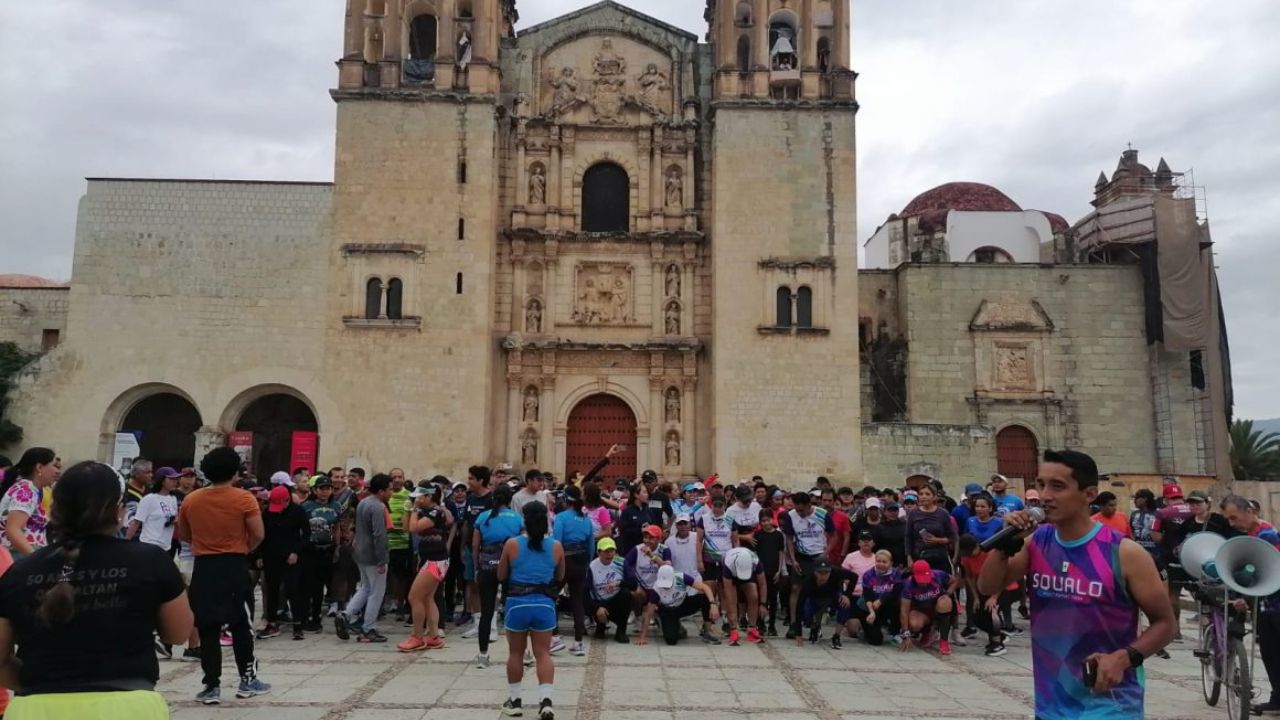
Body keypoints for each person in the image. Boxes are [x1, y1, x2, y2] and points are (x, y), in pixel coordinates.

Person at [979, 450, 1176, 720]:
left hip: (1111, 705)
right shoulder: (1037, 542)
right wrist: (1004, 546)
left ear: (1089, 494)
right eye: (1041, 484)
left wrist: (1123, 658)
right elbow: (988, 586)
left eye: (1057, 486)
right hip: (1051, 704)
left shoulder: (1124, 553)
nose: (1045, 495)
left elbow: (1165, 624)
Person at [0, 461, 193, 719]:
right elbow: (178, 633)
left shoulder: (18, 573)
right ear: (118, 511)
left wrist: (37, 684)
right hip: (127, 707)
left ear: (53, 510)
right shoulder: (151, 561)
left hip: (37, 707)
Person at [177, 447, 271, 704]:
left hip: (204, 566)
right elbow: (259, 533)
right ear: (234, 471)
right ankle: (248, 680)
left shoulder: (191, 499)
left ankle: (211, 685)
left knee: (207, 626)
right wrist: (244, 547)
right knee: (242, 624)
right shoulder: (244, 499)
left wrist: (205, 543)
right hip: (233, 565)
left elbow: (183, 534)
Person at [498, 500, 564, 720]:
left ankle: (515, 700)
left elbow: (501, 575)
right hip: (544, 604)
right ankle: (546, 700)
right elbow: (559, 576)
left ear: (524, 519)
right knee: (543, 653)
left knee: (516, 653)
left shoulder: (512, 544)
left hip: (517, 604)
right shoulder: (555, 546)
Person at [1217, 495, 1280, 714]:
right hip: (1266, 605)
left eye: (1234, 518)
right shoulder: (1252, 535)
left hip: (1276, 603)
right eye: (1228, 520)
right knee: (1271, 652)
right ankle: (1277, 697)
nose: (1232, 523)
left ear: (1249, 512)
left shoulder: (1268, 535)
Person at [336, 474, 392, 644]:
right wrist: (382, 559)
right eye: (389, 489)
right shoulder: (377, 507)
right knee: (377, 592)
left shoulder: (363, 502)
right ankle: (369, 628)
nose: (391, 492)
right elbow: (379, 535)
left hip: (360, 550)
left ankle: (346, 614)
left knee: (365, 587)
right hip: (373, 555)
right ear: (381, 491)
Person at [471, 484, 523, 667]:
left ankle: (483, 654)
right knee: (514, 611)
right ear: (509, 499)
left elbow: (475, 546)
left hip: (487, 567)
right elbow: (522, 545)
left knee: (486, 613)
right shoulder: (517, 518)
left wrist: (476, 568)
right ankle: (522, 653)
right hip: (510, 568)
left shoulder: (483, 517)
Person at [399, 483, 454, 652]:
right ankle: (433, 636)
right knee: (428, 598)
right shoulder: (424, 512)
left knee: (414, 597)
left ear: (428, 497)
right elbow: (407, 528)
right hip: (429, 559)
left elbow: (416, 528)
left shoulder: (435, 512)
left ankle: (417, 636)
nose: (416, 500)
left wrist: (414, 510)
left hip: (435, 560)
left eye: (419, 497)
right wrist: (409, 510)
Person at [780, 491, 834, 639]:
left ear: (809, 505)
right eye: (797, 509)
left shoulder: (822, 514)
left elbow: (833, 535)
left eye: (802, 510)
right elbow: (789, 539)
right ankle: (793, 623)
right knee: (796, 588)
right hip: (801, 556)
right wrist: (793, 559)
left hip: (818, 555)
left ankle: (816, 623)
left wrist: (827, 552)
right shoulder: (790, 516)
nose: (800, 513)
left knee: (819, 591)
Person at [260, 484, 308, 641]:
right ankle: (272, 622)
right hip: (271, 556)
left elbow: (306, 535)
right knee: (272, 590)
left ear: (288, 500)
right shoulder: (267, 513)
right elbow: (263, 535)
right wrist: (259, 556)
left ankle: (298, 624)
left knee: (293, 589)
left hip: (291, 557)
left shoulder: (298, 512)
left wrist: (296, 551)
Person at [552, 485, 595, 656]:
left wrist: (555, 565)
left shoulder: (561, 518)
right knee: (577, 600)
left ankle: (554, 636)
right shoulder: (586, 520)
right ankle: (578, 642)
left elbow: (556, 542)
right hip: (581, 562)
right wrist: (587, 564)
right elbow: (591, 546)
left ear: (565, 500)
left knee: (551, 596)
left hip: (565, 561)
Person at [637, 564, 721, 647]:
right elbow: (649, 613)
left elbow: (705, 587)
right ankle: (672, 625)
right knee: (671, 640)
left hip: (683, 604)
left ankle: (708, 630)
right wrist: (642, 637)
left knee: (705, 597)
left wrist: (713, 605)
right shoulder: (655, 589)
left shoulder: (681, 577)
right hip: (668, 610)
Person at [1151, 483, 1195, 642]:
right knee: (1201, 592)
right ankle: (1212, 629)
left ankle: (1175, 630)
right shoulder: (1194, 509)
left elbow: (1155, 534)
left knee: (1173, 594)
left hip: (1171, 558)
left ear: (1165, 499)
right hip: (1195, 558)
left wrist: (1165, 543)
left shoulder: (1162, 513)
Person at [0, 448, 59, 557]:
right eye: (54, 465)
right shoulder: (25, 491)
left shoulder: (32, 490)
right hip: (17, 558)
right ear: (39, 467)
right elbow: (13, 530)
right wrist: (35, 561)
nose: (57, 471)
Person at [300, 476, 340, 632]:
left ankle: (316, 617)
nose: (325, 492)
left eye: (328, 488)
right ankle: (304, 615)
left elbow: (337, 527)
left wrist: (336, 546)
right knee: (307, 584)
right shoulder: (306, 507)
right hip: (310, 549)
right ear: (315, 490)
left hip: (327, 549)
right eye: (322, 488)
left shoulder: (336, 506)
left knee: (320, 586)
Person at [459, 466, 495, 635]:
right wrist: (462, 545)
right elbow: (466, 523)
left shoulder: (492, 499)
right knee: (472, 584)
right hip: (469, 548)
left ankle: (490, 622)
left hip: (486, 549)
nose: (469, 481)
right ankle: (477, 621)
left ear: (481, 480)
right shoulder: (471, 499)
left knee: (489, 586)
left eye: (472, 478)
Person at [898, 559, 959, 655]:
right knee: (914, 624)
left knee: (945, 602)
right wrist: (905, 635)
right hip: (921, 610)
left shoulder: (938, 575)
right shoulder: (908, 585)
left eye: (925, 579)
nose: (924, 583)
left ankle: (944, 641)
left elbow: (954, 581)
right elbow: (904, 611)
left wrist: (947, 594)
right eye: (920, 580)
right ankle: (928, 633)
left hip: (937, 606)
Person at [793, 560, 859, 646]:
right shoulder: (808, 581)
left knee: (845, 605)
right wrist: (798, 634)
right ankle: (814, 626)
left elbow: (854, 576)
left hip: (833, 597)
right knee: (805, 613)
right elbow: (799, 606)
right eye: (820, 572)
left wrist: (847, 595)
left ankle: (836, 636)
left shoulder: (836, 572)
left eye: (826, 573)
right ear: (815, 572)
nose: (823, 576)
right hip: (814, 599)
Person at [851, 550, 901, 646]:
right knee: (876, 641)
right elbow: (867, 595)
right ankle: (865, 629)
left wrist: (881, 600)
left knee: (896, 604)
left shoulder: (896, 574)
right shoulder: (868, 574)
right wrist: (872, 612)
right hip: (868, 606)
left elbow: (895, 592)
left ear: (891, 563)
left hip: (885, 604)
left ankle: (895, 632)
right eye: (878, 561)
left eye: (884, 562)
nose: (881, 564)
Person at [586, 538, 631, 643]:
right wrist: (597, 608)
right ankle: (600, 626)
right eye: (606, 551)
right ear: (598, 552)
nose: (609, 554)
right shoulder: (591, 567)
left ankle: (621, 631)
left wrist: (619, 583)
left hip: (616, 600)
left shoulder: (622, 562)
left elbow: (633, 583)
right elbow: (585, 592)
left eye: (612, 551)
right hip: (599, 601)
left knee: (626, 594)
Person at [720, 546, 765, 645]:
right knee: (731, 600)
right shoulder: (728, 564)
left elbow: (762, 584)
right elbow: (729, 596)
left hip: (747, 572)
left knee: (754, 596)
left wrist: (763, 604)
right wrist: (733, 625)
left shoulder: (756, 561)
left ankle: (752, 629)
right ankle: (733, 630)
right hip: (731, 573)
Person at [127, 466, 179, 550]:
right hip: (149, 545)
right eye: (172, 479)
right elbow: (136, 522)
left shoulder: (173, 499)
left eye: (176, 479)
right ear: (162, 480)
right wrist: (126, 544)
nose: (175, 482)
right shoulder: (149, 499)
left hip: (166, 546)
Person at [386, 468, 414, 622]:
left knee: (403, 577)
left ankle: (401, 605)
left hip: (403, 543)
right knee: (388, 576)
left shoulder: (409, 496)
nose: (397, 479)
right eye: (394, 477)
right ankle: (388, 602)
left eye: (400, 477)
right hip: (387, 543)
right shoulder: (385, 495)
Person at [754, 508, 786, 636]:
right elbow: (755, 554)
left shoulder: (778, 535)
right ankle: (760, 623)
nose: (766, 523)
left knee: (773, 599)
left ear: (772, 519)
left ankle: (772, 625)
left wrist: (779, 571)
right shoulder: (758, 535)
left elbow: (781, 553)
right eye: (763, 521)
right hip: (761, 572)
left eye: (768, 520)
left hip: (774, 571)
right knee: (762, 599)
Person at [872, 501, 907, 567]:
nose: (893, 512)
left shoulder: (905, 525)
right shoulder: (879, 527)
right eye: (890, 510)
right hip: (884, 563)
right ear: (884, 512)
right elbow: (875, 547)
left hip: (902, 563)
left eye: (895, 510)